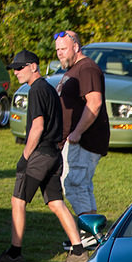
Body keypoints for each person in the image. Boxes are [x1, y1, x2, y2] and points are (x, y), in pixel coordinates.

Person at [0, 50, 88, 262]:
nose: (16, 72)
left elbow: (38, 127)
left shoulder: (36, 90)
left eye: (20, 67)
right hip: (54, 154)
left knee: (18, 200)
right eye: (14, 69)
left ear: (33, 66)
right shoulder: (49, 89)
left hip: (41, 155)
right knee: (55, 203)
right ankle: (79, 251)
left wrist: (25, 157)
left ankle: (14, 254)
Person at [54, 30, 109, 221]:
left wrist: (77, 132)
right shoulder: (76, 69)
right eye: (57, 50)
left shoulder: (87, 68)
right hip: (76, 139)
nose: (59, 53)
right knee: (81, 185)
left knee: (74, 185)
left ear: (76, 47)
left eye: (63, 49)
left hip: (84, 140)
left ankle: (88, 233)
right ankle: (92, 230)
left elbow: (94, 102)